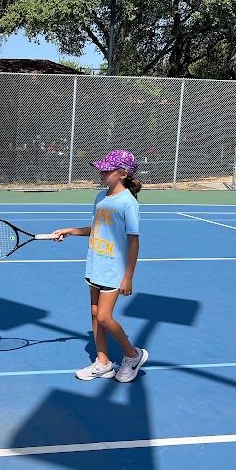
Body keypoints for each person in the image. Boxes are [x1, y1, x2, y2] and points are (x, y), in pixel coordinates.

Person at [52, 149, 147, 383]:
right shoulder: (100, 198)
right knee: (95, 315)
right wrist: (71, 231)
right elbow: (96, 229)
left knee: (104, 317)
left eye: (107, 170)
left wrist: (128, 277)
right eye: (101, 169)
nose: (101, 173)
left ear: (123, 173)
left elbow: (134, 242)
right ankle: (103, 362)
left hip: (114, 270)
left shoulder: (128, 203)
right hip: (95, 265)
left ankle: (133, 355)